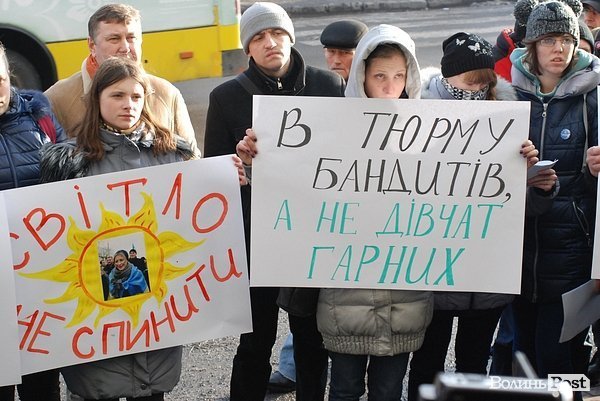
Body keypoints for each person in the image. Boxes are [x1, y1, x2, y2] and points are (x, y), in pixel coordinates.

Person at [40, 56, 202, 401]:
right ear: (97, 98)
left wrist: (231, 177)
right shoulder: (69, 163)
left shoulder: (173, 153)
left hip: (156, 322)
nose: (128, 104)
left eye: (136, 96)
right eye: (117, 95)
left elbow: (196, 225)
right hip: (97, 325)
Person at [204, 2, 345, 400]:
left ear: (290, 37)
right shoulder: (226, 97)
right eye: (259, 37)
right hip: (257, 236)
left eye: (277, 33)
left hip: (313, 231)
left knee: (311, 338)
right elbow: (214, 175)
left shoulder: (328, 85)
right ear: (247, 47)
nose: (270, 43)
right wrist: (237, 165)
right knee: (255, 339)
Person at [407, 32, 543, 401]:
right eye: (469, 83)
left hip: (486, 276)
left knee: (473, 362)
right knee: (427, 360)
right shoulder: (417, 115)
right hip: (432, 270)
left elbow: (525, 205)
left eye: (484, 83)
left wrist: (531, 175)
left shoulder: (509, 119)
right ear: (447, 77)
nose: (477, 90)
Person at [319, 24, 433, 400]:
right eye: (380, 76)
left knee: (388, 391)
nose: (389, 86)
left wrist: (515, 166)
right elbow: (293, 186)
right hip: (344, 298)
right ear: (362, 76)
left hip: (405, 300)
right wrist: (256, 158)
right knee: (344, 389)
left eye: (399, 76)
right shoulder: (330, 130)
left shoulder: (433, 135)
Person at [267, 18, 369, 394]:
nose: (335, 60)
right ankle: (294, 367)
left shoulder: (373, 93)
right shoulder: (321, 90)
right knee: (308, 306)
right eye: (330, 52)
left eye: (344, 53)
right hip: (317, 223)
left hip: (358, 224)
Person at [510, 0, 600, 397]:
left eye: (566, 39)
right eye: (548, 39)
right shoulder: (508, 96)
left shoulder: (594, 99)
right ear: (531, 45)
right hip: (518, 252)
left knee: (561, 357)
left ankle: (573, 397)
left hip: (571, 251)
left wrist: (596, 170)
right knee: (524, 355)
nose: (559, 48)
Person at [0, 40, 66, 401]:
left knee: (42, 386)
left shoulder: (38, 114)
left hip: (40, 281)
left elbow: (71, 173)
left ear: (9, 75)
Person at [44, 3, 200, 157]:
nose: (125, 48)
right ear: (92, 45)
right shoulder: (58, 99)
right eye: (114, 39)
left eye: (131, 38)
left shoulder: (166, 94)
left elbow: (191, 159)